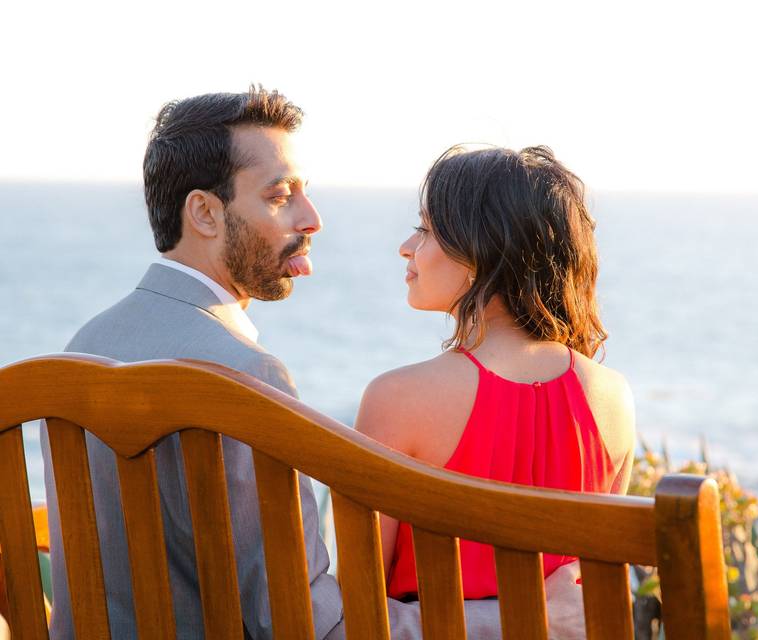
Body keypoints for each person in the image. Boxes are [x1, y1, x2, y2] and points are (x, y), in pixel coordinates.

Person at [39, 88, 582, 639]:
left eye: (306, 193)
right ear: (204, 212)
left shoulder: (82, 349)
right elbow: (310, 627)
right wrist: (525, 616)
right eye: (281, 196)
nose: (313, 218)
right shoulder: (241, 376)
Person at [355, 145, 637, 600]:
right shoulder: (613, 397)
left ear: (482, 252)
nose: (406, 247)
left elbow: (360, 599)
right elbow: (592, 588)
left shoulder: (397, 398)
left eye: (426, 230)